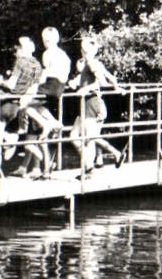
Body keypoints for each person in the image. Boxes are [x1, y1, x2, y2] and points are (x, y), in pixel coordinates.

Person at [20, 25, 72, 177]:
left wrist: (36, 84)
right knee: (38, 107)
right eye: (44, 40)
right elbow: (65, 73)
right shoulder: (63, 54)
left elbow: (46, 72)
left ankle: (48, 124)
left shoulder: (48, 54)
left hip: (51, 83)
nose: (45, 43)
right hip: (60, 87)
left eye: (47, 40)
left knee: (24, 103)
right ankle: (53, 122)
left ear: (55, 39)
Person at [68, 33, 122, 171]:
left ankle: (107, 157)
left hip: (91, 103)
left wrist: (86, 88)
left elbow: (101, 82)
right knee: (76, 136)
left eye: (84, 49)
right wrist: (117, 88)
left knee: (89, 138)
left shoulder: (92, 63)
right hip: (87, 102)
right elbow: (112, 79)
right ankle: (90, 164)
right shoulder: (92, 63)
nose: (82, 52)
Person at [0, 36, 43, 166]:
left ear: (20, 49)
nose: (15, 52)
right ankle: (11, 139)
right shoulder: (37, 64)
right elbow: (33, 88)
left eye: (16, 49)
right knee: (1, 135)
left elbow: (11, 85)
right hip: (17, 106)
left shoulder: (20, 62)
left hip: (5, 104)